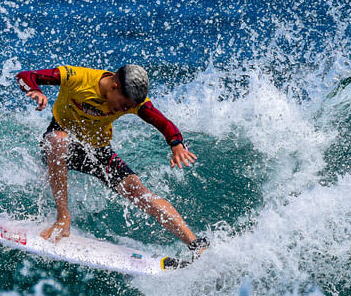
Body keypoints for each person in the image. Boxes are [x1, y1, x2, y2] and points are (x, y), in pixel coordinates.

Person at [16, 63, 209, 257]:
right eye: (125, 105)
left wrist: (176, 144)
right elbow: (25, 75)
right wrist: (35, 89)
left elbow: (163, 123)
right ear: (113, 86)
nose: (125, 110)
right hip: (57, 146)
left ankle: (195, 244)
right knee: (58, 140)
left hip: (97, 152)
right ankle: (63, 218)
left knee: (139, 191)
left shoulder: (133, 101)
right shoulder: (78, 78)